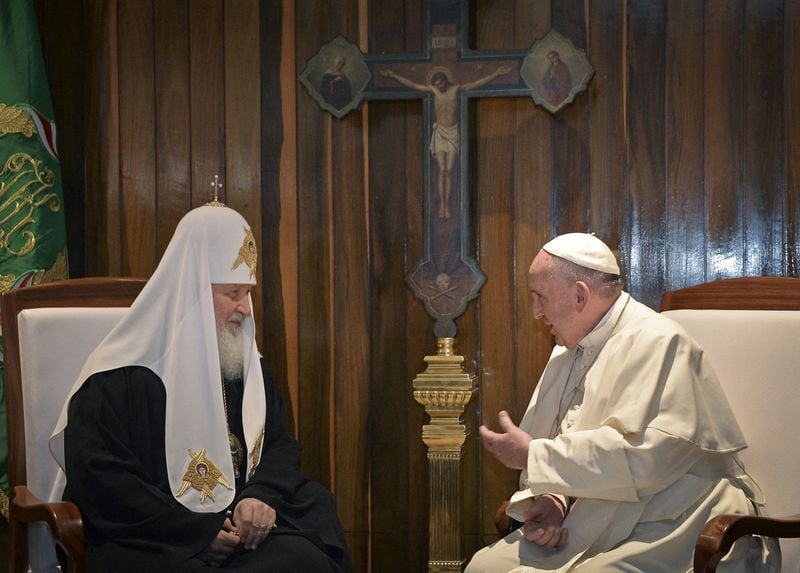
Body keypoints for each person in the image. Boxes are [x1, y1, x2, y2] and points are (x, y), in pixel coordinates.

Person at [48, 203, 353, 572]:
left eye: (248, 293)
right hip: (153, 539)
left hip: (240, 532)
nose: (246, 309)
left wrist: (259, 497)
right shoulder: (117, 377)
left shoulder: (244, 365)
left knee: (308, 554)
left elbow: (279, 445)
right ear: (189, 291)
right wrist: (195, 532)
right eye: (234, 293)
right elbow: (101, 481)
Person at [466, 233, 776, 572]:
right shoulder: (567, 352)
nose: (536, 312)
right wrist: (555, 499)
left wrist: (533, 455)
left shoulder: (660, 342)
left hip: (674, 519)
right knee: (485, 567)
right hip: (592, 513)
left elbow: (643, 462)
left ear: (580, 294)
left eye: (540, 297)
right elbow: (571, 444)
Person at [380, 65, 511, 219]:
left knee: (449, 170)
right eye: (436, 85)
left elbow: (476, 83)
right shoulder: (434, 91)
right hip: (440, 132)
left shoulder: (456, 89)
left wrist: (496, 72)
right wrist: (393, 74)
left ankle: (447, 204)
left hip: (453, 132)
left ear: (445, 80)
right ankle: (442, 204)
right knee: (441, 170)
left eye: (440, 84)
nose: (439, 87)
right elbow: (413, 85)